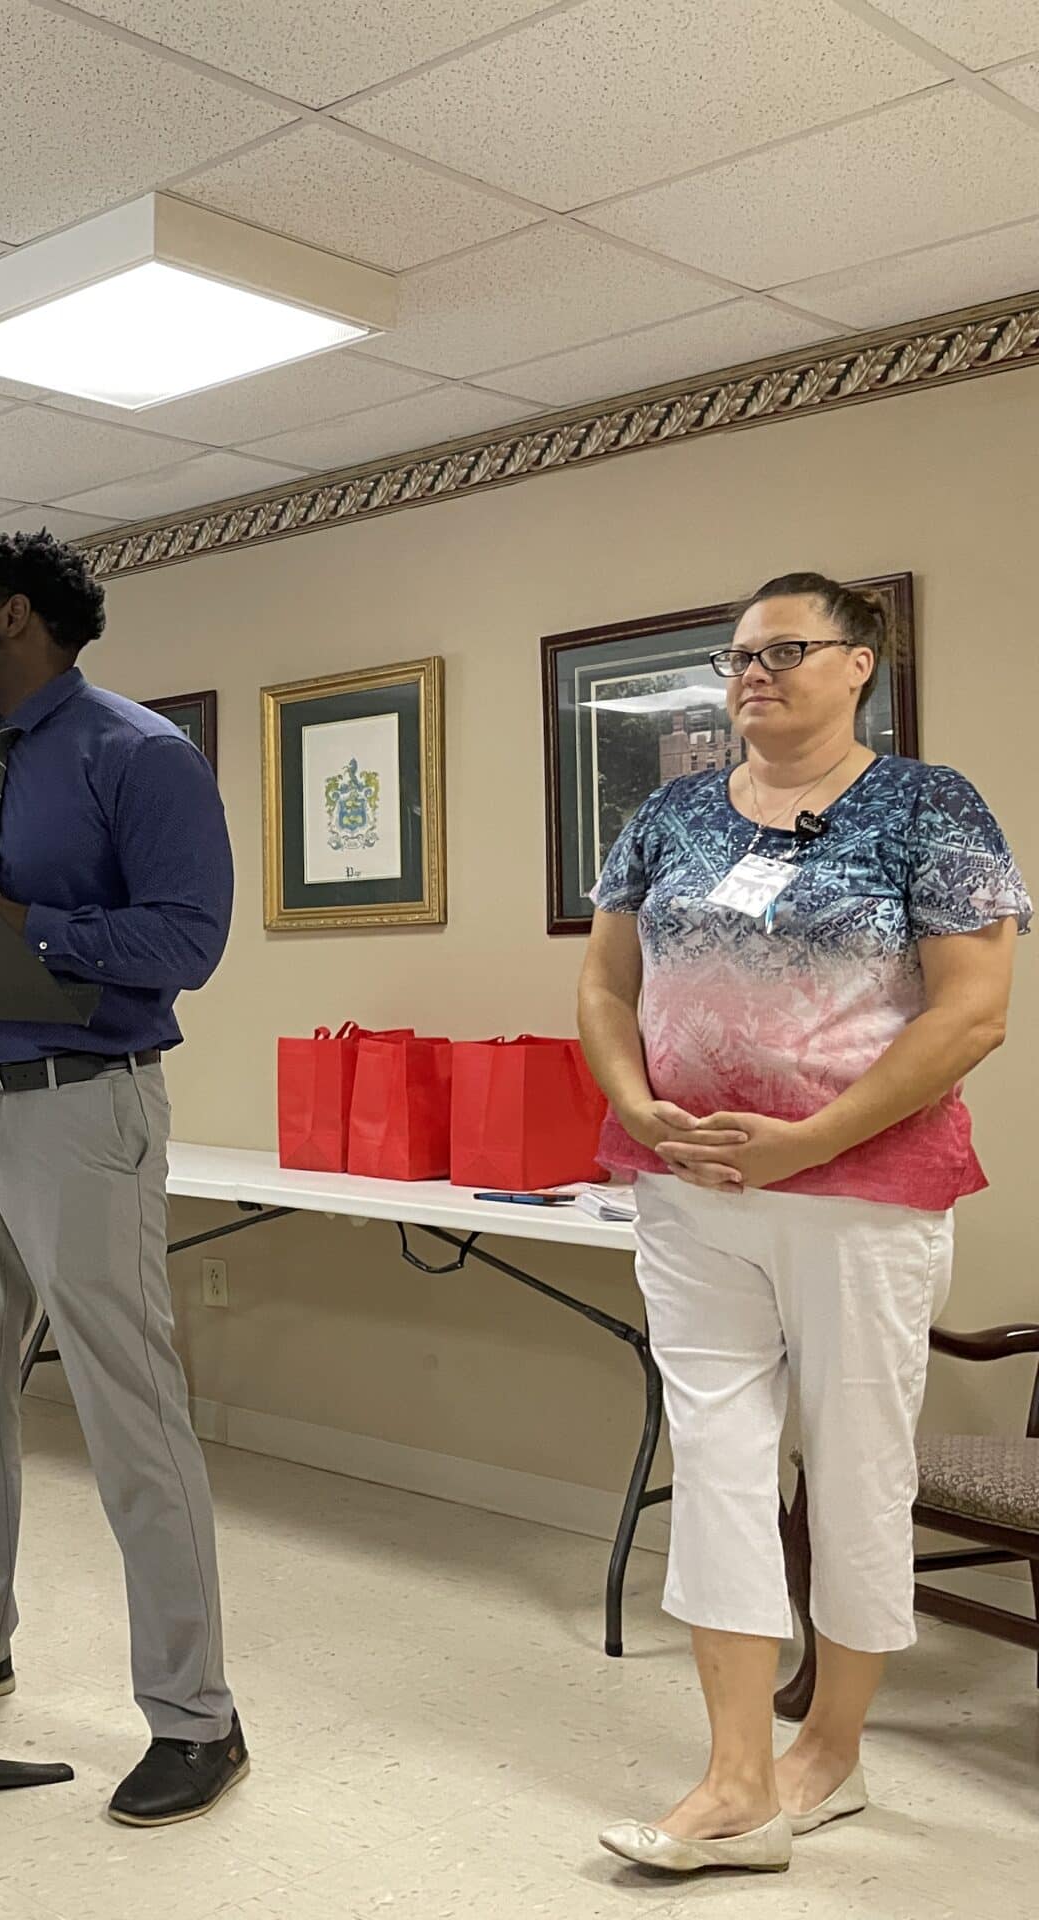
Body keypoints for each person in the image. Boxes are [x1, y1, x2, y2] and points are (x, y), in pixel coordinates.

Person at [579, 572, 1023, 1874]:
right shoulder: (666, 815)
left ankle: (826, 1754)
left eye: (782, 650)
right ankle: (733, 1782)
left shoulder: (930, 806)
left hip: (860, 1196)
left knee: (856, 1467)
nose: (751, 673)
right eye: (736, 657)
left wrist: (810, 1140)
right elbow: (607, 983)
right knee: (718, 1457)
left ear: (857, 666)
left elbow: (972, 1012)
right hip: (690, 1193)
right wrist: (639, 1108)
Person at [0, 528, 242, 1826]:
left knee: (128, 1411)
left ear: (15, 619)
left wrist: (25, 922)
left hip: (84, 1111)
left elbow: (190, 938)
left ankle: (198, 1718)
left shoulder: (143, 756)